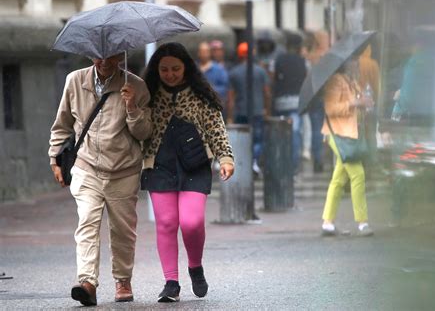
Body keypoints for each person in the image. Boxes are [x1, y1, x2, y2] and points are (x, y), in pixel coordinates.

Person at [48, 53, 152, 306]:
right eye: (98, 56)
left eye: (111, 56)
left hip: (123, 169)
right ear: (90, 54)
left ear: (120, 55)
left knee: (123, 231)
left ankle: (123, 280)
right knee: (87, 222)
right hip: (87, 167)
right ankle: (87, 282)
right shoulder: (75, 80)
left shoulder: (135, 84)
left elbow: (145, 132)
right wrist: (54, 156)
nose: (104, 61)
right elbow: (62, 123)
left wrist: (132, 107)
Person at [140, 42, 235, 303]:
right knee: (167, 223)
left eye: (175, 69)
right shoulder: (145, 94)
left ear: (186, 67)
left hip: (195, 165)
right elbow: (138, 132)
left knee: (191, 223)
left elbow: (216, 128)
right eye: (164, 69)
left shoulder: (201, 94)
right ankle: (171, 282)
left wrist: (225, 157)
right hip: (159, 165)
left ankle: (195, 266)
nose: (170, 74)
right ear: (156, 69)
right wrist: (132, 106)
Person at [320, 56, 374, 237]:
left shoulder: (352, 82)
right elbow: (330, 109)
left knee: (339, 179)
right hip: (338, 134)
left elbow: (357, 104)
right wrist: (354, 103)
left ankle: (328, 222)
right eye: (353, 61)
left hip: (349, 134)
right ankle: (362, 222)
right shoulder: (335, 81)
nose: (357, 64)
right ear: (345, 64)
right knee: (358, 174)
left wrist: (364, 102)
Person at [227, 41, 271, 175]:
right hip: (257, 111)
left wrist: (229, 116)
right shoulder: (261, 71)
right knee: (257, 139)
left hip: (240, 112)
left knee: (242, 141)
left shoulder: (234, 73)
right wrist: (267, 110)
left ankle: (243, 164)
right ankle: (254, 162)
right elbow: (267, 93)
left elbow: (231, 97)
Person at [272, 33, 307, 174]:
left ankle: (281, 164)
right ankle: (293, 166)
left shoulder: (279, 60)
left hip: (280, 102)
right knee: (295, 134)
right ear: (298, 47)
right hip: (296, 102)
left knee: (281, 134)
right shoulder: (302, 62)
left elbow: (274, 79)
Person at [304, 30, 330, 173]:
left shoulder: (309, 57)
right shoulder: (324, 56)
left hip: (313, 96)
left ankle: (318, 159)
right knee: (325, 129)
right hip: (324, 96)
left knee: (316, 129)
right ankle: (322, 159)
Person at [197, 41, 229, 120]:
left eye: (206, 51)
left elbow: (225, 87)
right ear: (198, 53)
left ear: (210, 53)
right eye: (202, 51)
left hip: (214, 108)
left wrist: (211, 89)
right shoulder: (194, 69)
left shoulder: (219, 69)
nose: (204, 54)